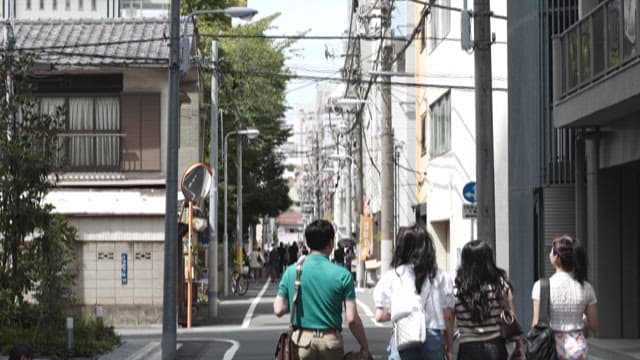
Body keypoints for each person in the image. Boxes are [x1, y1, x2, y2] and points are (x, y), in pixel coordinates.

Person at [274, 219, 370, 359]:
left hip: (302, 342)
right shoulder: (343, 275)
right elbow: (352, 319)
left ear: (307, 243)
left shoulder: (292, 272)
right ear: (331, 243)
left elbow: (278, 309)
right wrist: (364, 347)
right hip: (331, 342)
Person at [373, 225, 455, 360]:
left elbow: (379, 316)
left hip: (403, 336)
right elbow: (449, 316)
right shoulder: (441, 277)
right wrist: (450, 348)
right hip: (433, 337)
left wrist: (398, 312)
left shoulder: (392, 276)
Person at [530, 234, 598, 359]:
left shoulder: (541, 286)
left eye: (551, 252)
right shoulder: (587, 287)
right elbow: (593, 326)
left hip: (550, 348)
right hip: (577, 349)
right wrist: (582, 319)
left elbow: (536, 324)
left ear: (557, 258)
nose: (550, 255)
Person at [455, 240, 522, 360]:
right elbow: (511, 316)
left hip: (467, 348)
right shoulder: (500, 285)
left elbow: (450, 317)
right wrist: (519, 345)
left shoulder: (458, 289)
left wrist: (448, 347)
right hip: (495, 347)